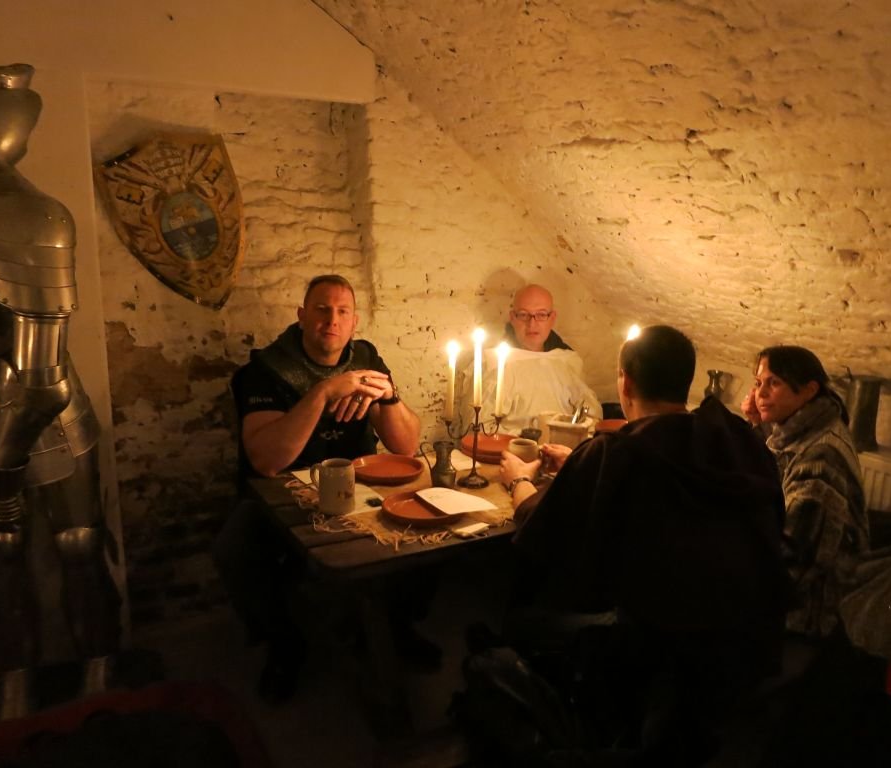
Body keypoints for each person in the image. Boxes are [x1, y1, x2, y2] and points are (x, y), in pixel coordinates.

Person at [497, 326, 789, 760]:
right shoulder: (736, 438)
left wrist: (519, 479)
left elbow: (537, 523)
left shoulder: (615, 453)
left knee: (517, 617)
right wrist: (580, 462)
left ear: (626, 382)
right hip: (745, 637)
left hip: (654, 645)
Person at [0, 55, 121, 720]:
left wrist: (3, 474)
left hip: (41, 416)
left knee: (77, 545)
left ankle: (100, 678)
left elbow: (43, 384)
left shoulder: (32, 219)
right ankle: (15, 687)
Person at [214, 274, 428, 703]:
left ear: (354, 323)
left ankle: (395, 628)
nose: (332, 320)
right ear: (302, 316)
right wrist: (324, 391)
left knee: (427, 531)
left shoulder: (365, 359)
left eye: (343, 312)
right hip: (281, 494)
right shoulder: (266, 370)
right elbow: (267, 460)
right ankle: (284, 643)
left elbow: (406, 446)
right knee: (233, 548)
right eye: (322, 310)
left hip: (361, 485)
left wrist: (388, 397)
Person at [741, 345, 868, 640]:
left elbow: (794, 556)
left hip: (813, 609)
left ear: (809, 390)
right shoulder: (809, 425)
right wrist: (758, 425)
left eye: (774, 383)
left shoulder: (821, 458)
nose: (760, 393)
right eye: (758, 382)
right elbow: (778, 465)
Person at [481, 284, 601, 434]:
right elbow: (481, 428)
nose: (532, 324)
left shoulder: (567, 361)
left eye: (541, 315)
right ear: (512, 318)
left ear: (552, 318)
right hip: (513, 446)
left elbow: (591, 416)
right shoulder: (494, 364)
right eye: (523, 315)